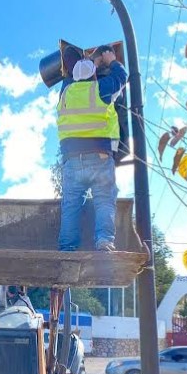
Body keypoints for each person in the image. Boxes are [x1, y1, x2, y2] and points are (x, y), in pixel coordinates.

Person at [57, 44, 127, 252]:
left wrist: (90, 64)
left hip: (71, 161)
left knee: (70, 206)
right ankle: (104, 240)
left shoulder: (66, 93)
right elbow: (121, 77)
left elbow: (71, 78)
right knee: (104, 201)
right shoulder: (100, 90)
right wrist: (110, 61)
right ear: (94, 76)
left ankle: (67, 248)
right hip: (100, 158)